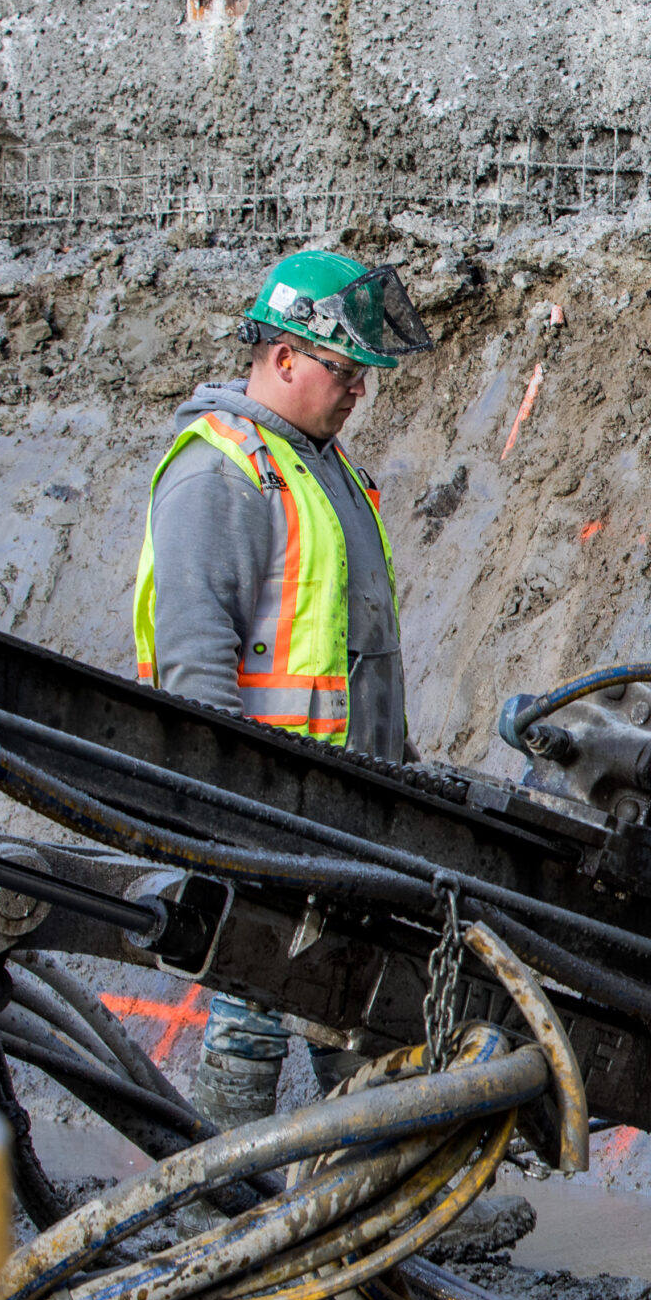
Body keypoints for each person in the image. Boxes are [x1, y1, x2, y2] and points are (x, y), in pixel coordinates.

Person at [131, 249, 431, 1125]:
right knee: (250, 1018)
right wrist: (228, 808)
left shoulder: (326, 473)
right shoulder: (222, 474)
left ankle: (367, 1186)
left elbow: (358, 652)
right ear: (285, 356)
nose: (359, 389)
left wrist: (399, 771)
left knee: (357, 1015)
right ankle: (226, 1186)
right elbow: (194, 657)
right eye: (343, 369)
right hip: (266, 815)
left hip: (340, 813)